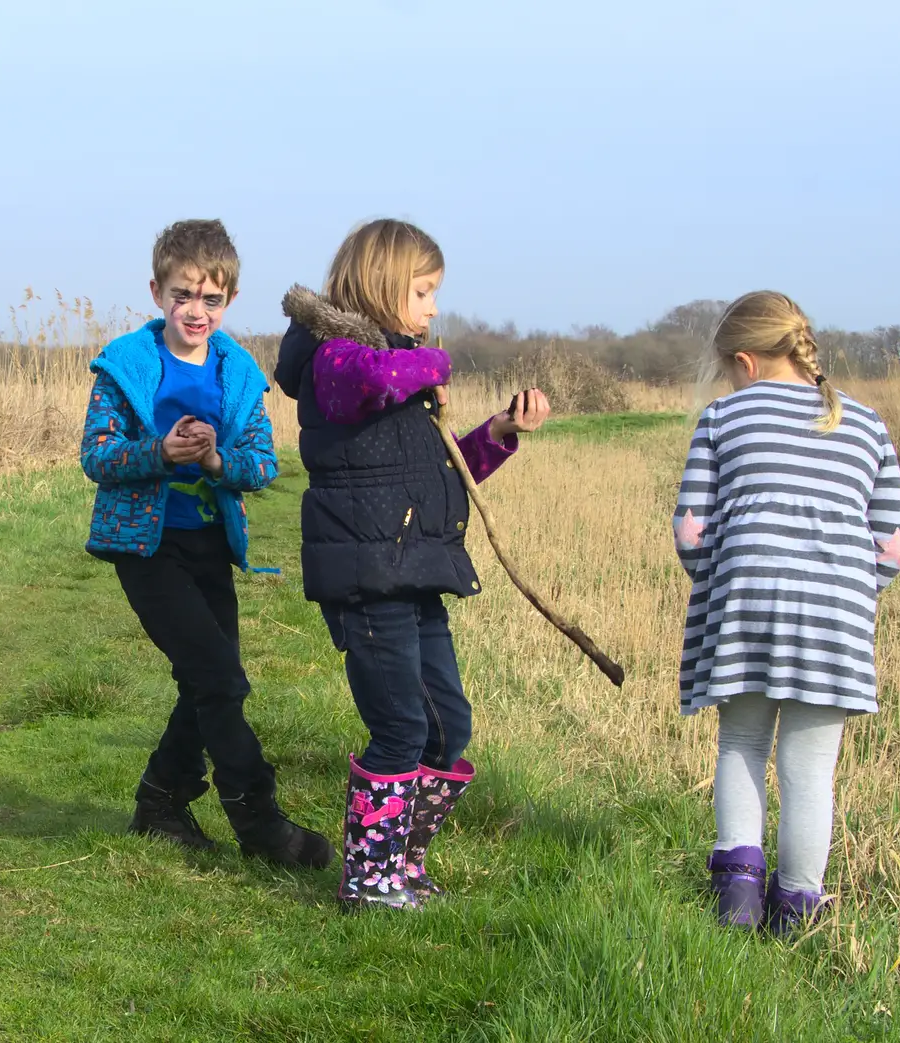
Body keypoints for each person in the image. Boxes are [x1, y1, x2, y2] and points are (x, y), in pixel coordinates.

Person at [273, 218, 550, 910]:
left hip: (415, 569)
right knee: (401, 724)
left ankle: (399, 864)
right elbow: (367, 379)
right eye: (422, 292)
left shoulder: (398, 373)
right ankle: (368, 881)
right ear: (381, 283)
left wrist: (500, 434)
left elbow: (441, 476)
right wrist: (431, 364)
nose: (431, 309)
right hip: (369, 576)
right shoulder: (333, 358)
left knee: (447, 725)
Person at [80, 218, 332, 869]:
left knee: (207, 680)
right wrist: (159, 452)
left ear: (229, 300)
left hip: (211, 545)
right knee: (221, 679)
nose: (195, 310)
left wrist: (218, 460)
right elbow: (98, 455)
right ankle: (260, 822)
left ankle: (160, 800)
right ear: (157, 290)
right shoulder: (126, 364)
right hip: (145, 547)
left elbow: (262, 464)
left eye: (210, 299)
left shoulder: (238, 372)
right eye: (182, 295)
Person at [674, 290, 900, 933]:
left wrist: (722, 582)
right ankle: (798, 906)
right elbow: (893, 544)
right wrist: (849, 590)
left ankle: (736, 901)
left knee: (743, 744)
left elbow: (692, 533)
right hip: (835, 622)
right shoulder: (865, 423)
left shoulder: (722, 419)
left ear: (744, 361)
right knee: (810, 773)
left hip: (744, 607)